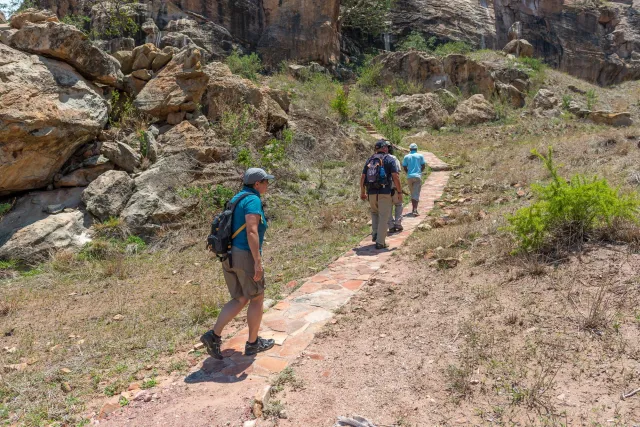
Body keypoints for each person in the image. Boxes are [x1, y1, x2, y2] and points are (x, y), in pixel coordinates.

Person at [200, 168, 275, 359]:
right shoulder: (252, 200)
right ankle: (252, 343)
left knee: (240, 298)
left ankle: (213, 335)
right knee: (257, 297)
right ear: (257, 184)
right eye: (266, 181)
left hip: (229, 255)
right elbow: (251, 231)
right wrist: (257, 261)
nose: (267, 184)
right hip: (244, 256)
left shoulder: (236, 198)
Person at [360, 139, 403, 249]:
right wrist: (399, 192)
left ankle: (375, 233)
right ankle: (380, 242)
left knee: (374, 213)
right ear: (385, 148)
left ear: (376, 149)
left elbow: (363, 177)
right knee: (384, 217)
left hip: (371, 192)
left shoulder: (370, 160)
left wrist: (363, 192)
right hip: (384, 192)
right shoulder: (389, 159)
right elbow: (395, 176)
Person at [402, 143, 426, 216]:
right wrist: (419, 172)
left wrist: (408, 172)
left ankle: (413, 209)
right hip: (417, 176)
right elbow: (423, 165)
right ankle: (415, 210)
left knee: (412, 193)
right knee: (416, 193)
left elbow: (404, 166)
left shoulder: (406, 157)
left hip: (409, 177)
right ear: (416, 149)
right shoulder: (420, 156)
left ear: (410, 149)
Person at [387, 144, 404, 233]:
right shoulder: (393, 158)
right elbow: (396, 174)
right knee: (399, 204)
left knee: (388, 206)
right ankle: (398, 222)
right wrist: (400, 190)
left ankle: (390, 225)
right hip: (393, 186)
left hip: (383, 189)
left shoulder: (377, 158)